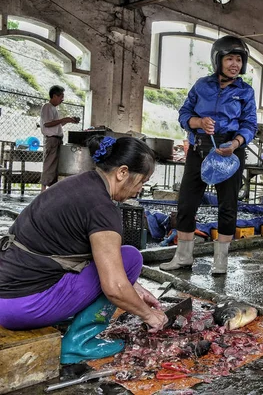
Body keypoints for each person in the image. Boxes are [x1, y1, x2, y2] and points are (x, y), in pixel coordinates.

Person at [0, 136, 168, 364]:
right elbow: (115, 288)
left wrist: (134, 287)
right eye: (141, 182)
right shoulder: (102, 209)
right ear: (122, 172)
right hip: (22, 306)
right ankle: (78, 344)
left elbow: (94, 257)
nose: (140, 189)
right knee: (130, 258)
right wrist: (150, 316)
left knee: (122, 265)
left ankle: (65, 320)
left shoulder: (79, 185)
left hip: (7, 295)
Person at [159, 35, 257, 273]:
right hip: (198, 150)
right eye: (230, 59)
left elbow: (250, 124)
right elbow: (184, 113)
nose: (235, 64)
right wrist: (198, 121)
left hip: (229, 152)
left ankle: (220, 261)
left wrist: (235, 143)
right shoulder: (202, 85)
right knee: (186, 203)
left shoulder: (245, 91)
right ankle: (183, 257)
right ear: (218, 60)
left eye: (239, 60)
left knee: (228, 205)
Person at [40, 85, 80, 191]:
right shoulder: (47, 107)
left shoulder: (53, 109)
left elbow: (56, 125)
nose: (62, 99)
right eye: (61, 96)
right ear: (54, 96)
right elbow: (48, 124)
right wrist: (63, 119)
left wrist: (67, 120)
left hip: (56, 139)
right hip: (52, 139)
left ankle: (49, 189)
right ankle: (43, 190)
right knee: (49, 164)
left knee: (54, 166)